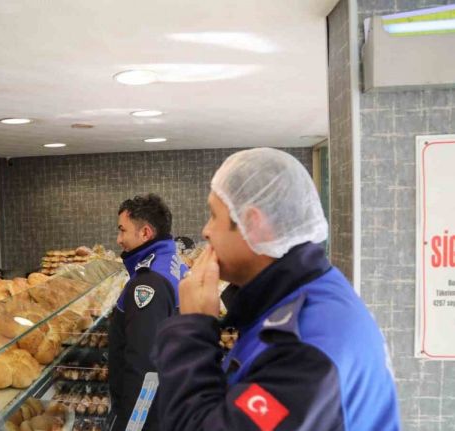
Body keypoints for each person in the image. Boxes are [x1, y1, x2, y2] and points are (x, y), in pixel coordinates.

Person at [153, 148, 400, 430]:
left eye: (213, 215)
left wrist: (192, 330)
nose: (205, 231)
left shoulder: (305, 348)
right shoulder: (300, 295)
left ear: (253, 223)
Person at [109, 194, 187, 431]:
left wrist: (132, 425)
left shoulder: (148, 283)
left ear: (145, 233)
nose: (118, 239)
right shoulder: (172, 261)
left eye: (122, 230)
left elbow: (144, 368)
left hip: (152, 414)